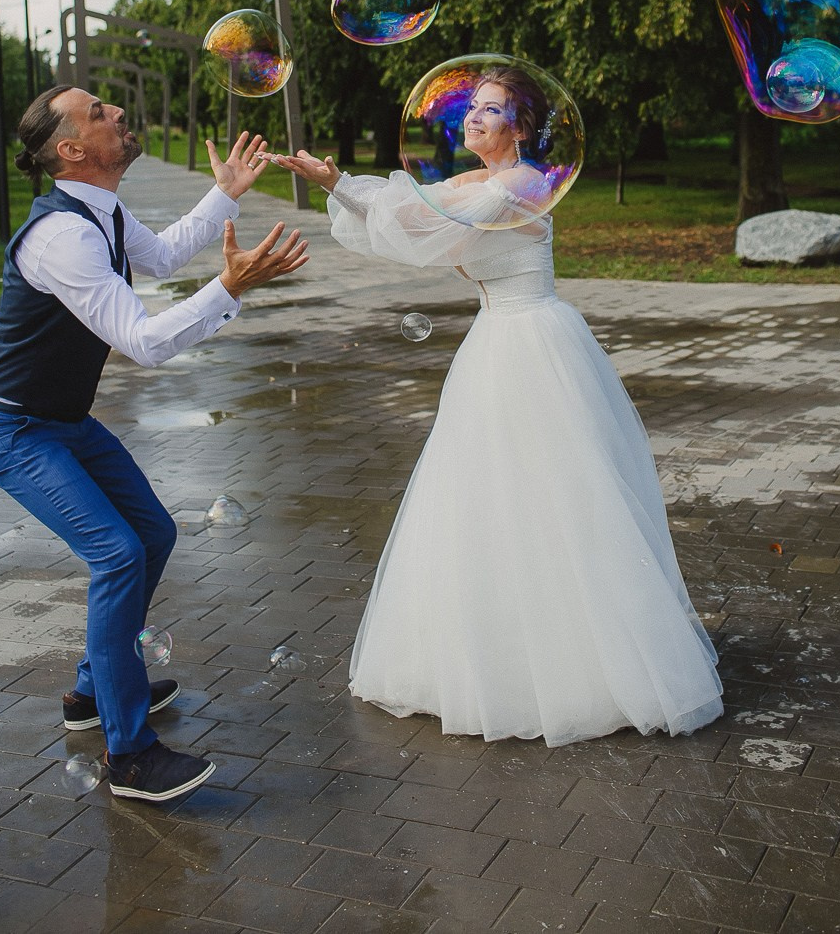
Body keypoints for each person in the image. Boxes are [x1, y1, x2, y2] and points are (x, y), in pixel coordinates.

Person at [264, 65, 723, 746]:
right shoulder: (473, 183)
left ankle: (586, 662)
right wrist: (336, 183)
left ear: (522, 127)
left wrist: (352, 189)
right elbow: (408, 213)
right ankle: (503, 649)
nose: (475, 119)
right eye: (472, 108)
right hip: (491, 347)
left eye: (493, 109)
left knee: (558, 498)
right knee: (484, 501)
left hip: (536, 345)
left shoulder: (522, 184)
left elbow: (421, 220)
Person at [0, 85, 309, 802]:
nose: (117, 113)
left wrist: (224, 197)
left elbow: (156, 257)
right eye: (99, 113)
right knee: (116, 552)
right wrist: (228, 287)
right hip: (14, 428)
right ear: (72, 149)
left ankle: (92, 692)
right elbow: (144, 342)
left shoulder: (103, 210)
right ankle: (130, 757)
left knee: (149, 532)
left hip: (59, 420)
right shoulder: (61, 236)